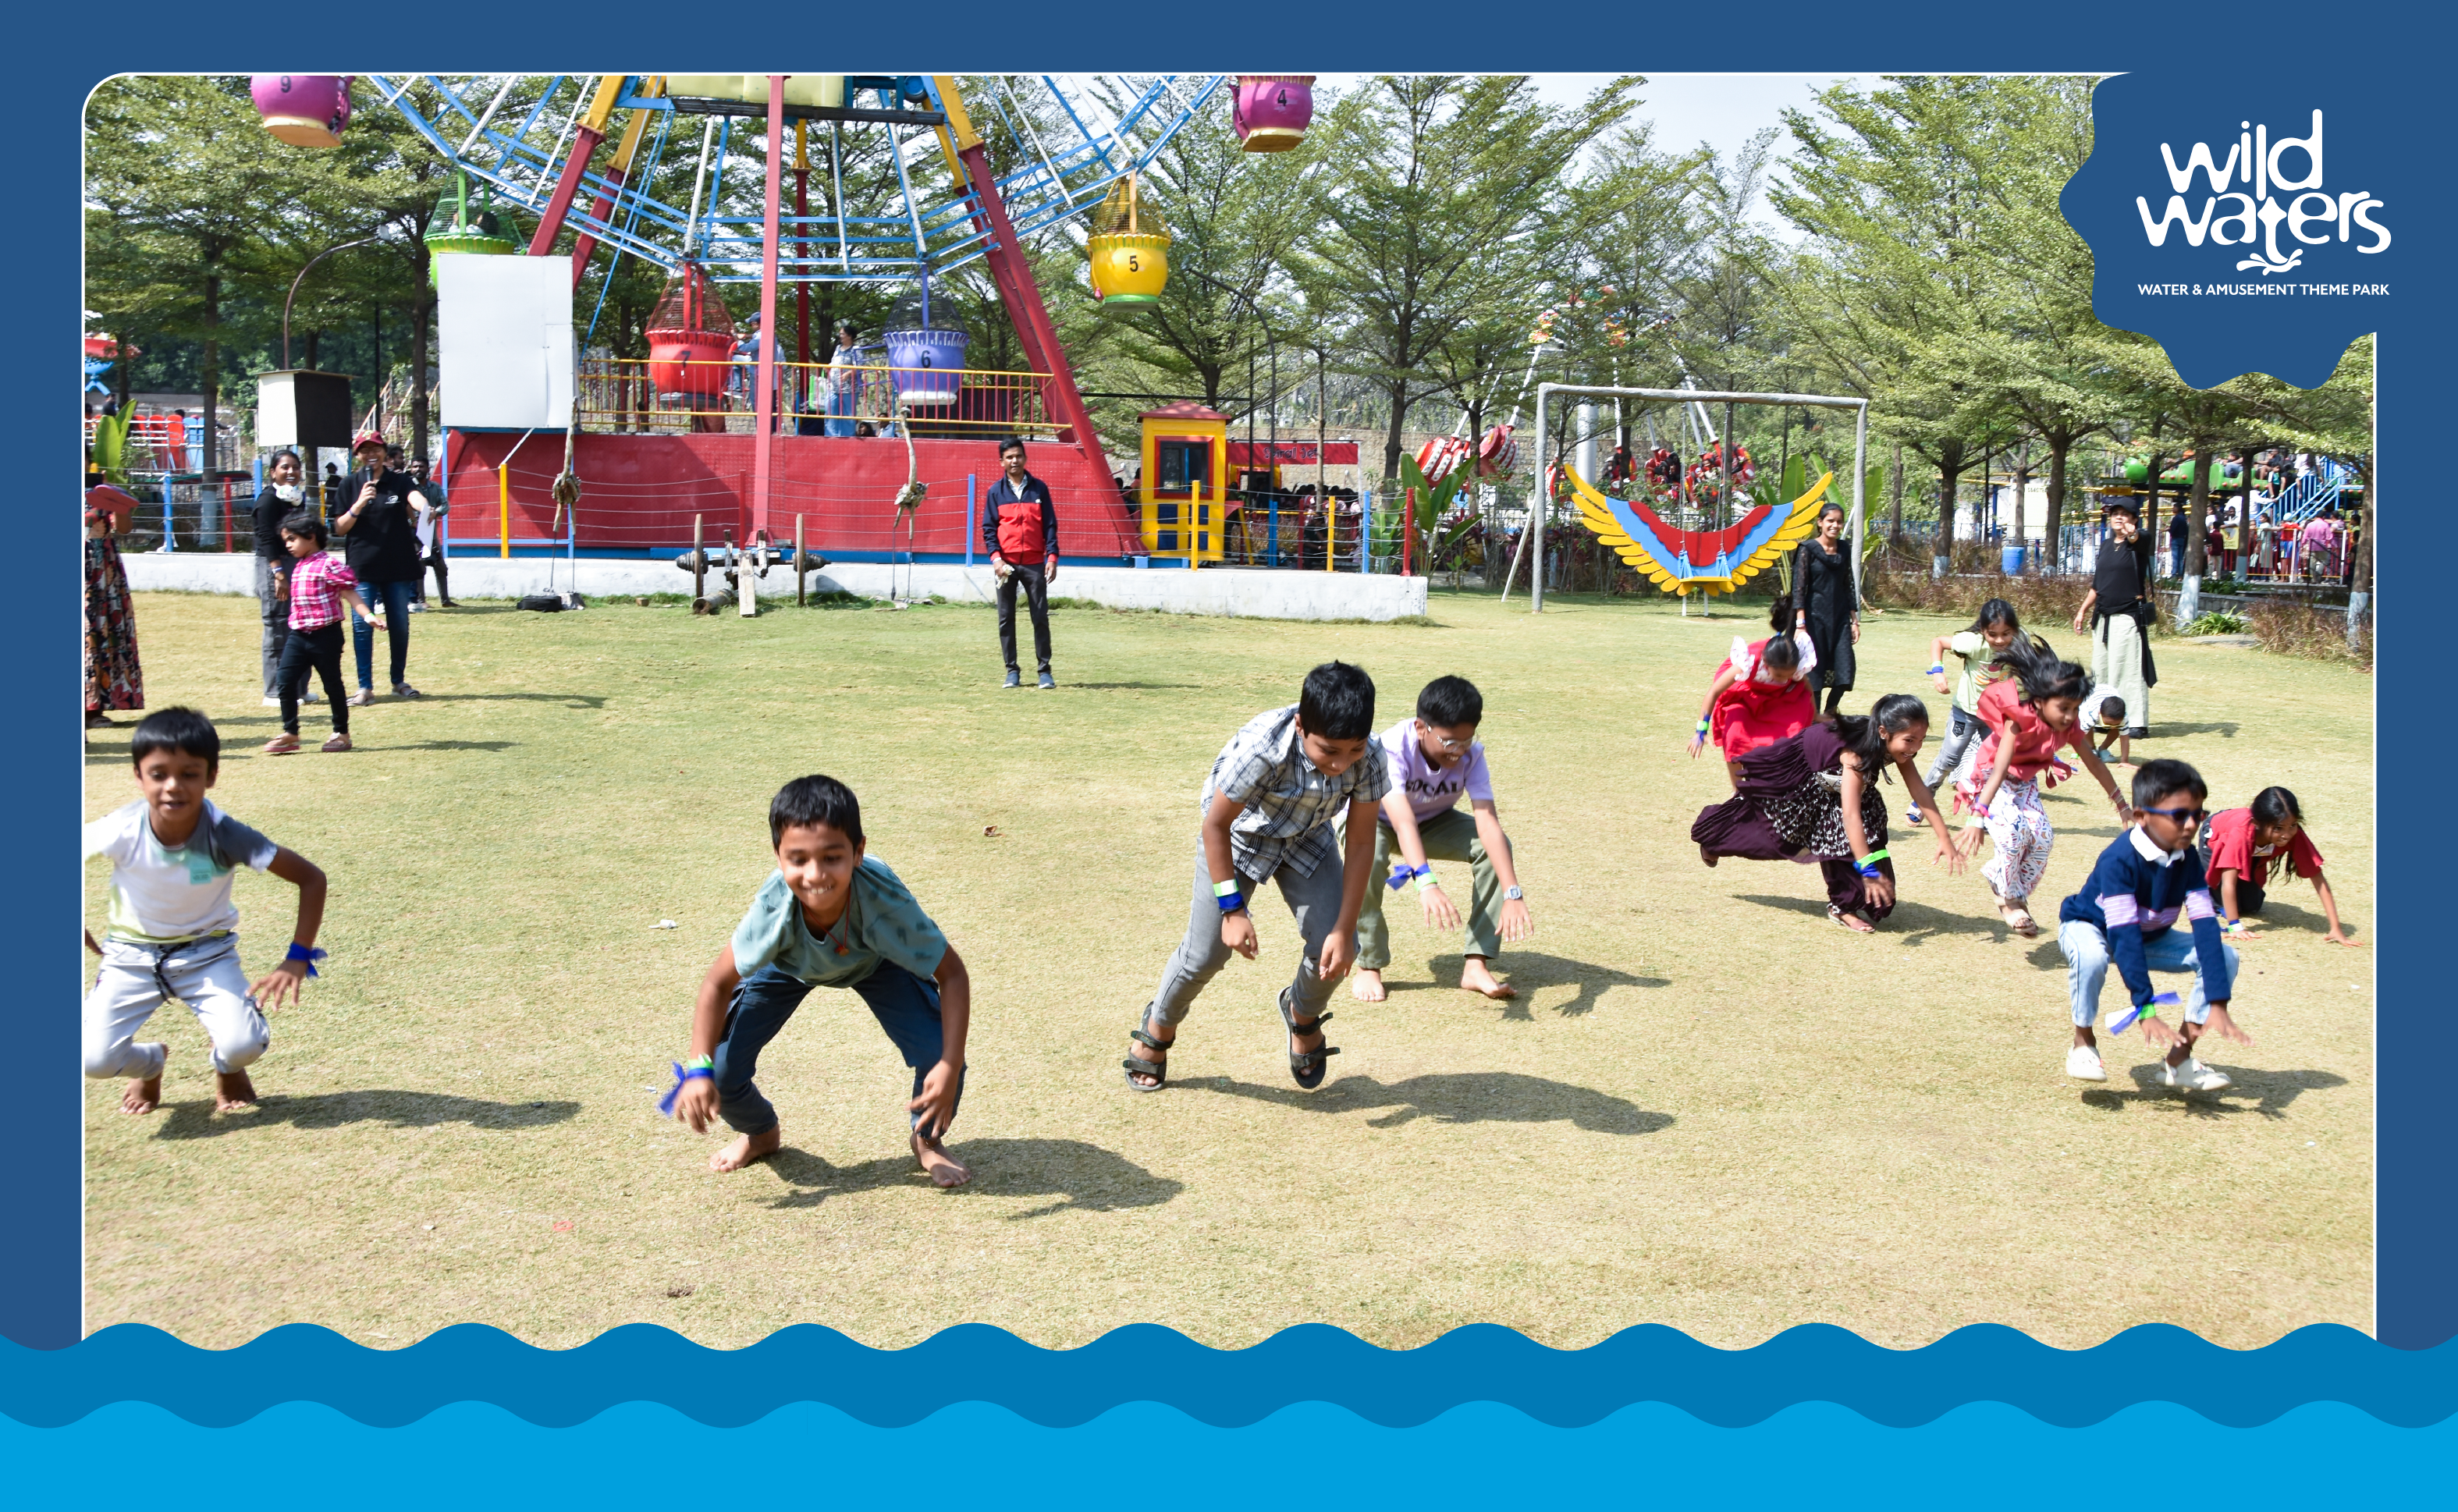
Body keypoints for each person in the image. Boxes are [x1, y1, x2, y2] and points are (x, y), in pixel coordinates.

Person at [664, 775, 975, 1186]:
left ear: (858, 852)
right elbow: (716, 984)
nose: (815, 875)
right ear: (778, 856)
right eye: (798, 859)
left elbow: (952, 975)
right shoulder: (774, 909)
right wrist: (698, 1068)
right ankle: (759, 1134)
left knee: (940, 1054)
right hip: (789, 965)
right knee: (719, 1072)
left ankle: (928, 1142)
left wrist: (950, 1065)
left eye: (832, 857)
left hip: (877, 961)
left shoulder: (886, 903)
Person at [1124, 662, 1387, 1092]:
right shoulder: (1264, 748)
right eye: (1329, 750)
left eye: (1354, 750)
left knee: (1338, 947)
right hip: (1239, 837)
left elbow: (1359, 843)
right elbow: (1215, 826)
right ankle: (1159, 1027)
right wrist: (1232, 909)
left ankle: (1302, 1016)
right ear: (1302, 726)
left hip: (1307, 837)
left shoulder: (1371, 756)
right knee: (1205, 954)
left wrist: (1343, 928)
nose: (1342, 764)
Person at [83, 708, 330, 1114]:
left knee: (243, 1044)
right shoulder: (120, 827)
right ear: (138, 776)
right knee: (93, 1061)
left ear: (211, 776)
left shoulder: (225, 834)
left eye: (190, 773)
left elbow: (311, 878)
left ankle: (227, 1066)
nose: (173, 786)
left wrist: (298, 957)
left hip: (207, 955)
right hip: (130, 958)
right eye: (159, 774)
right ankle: (151, 1063)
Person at [1692, 694, 1964, 934]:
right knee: (1779, 838)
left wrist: (1944, 838)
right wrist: (1867, 871)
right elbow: (1850, 816)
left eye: (1921, 740)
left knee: (1880, 895)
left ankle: (1852, 897)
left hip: (1844, 785)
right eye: (1909, 740)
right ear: (1883, 732)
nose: (1915, 747)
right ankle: (1715, 838)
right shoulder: (1856, 754)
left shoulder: (1899, 748)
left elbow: (1919, 789)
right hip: (1807, 775)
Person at [2054, 758, 2245, 1091]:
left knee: (2226, 957)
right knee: (2093, 957)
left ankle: (2179, 1061)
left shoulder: (2186, 860)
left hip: (2150, 938)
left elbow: (2205, 927)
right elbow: (2123, 936)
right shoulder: (2120, 860)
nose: (2190, 825)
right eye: (2178, 815)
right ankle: (2083, 1044)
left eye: (2197, 815)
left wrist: (2217, 998)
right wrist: (2145, 1007)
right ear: (2141, 817)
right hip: (2091, 927)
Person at [1351, 675, 1535, 1004]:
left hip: (1432, 822)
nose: (1459, 752)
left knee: (1493, 846)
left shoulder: (1471, 754)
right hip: (1374, 821)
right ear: (1422, 727)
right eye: (1451, 742)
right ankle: (1368, 964)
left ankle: (1476, 965)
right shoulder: (1391, 748)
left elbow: (1487, 822)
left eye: (1467, 741)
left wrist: (1513, 892)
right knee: (1369, 860)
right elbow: (1402, 819)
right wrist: (1426, 882)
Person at [1953, 636, 2135, 938]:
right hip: (1991, 780)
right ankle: (2007, 899)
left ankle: (2015, 894)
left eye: (2075, 709)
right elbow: (1998, 769)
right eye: (2063, 707)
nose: (2069, 716)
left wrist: (2122, 805)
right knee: (2014, 835)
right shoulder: (2018, 719)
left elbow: (2095, 763)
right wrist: (1977, 816)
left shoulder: (2070, 726)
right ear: (2039, 702)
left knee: (2043, 837)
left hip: (2024, 784)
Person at [265, 511, 382, 755]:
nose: (287, 545)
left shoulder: (328, 565)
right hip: (299, 636)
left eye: (291, 539)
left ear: (310, 537)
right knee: (285, 682)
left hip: (326, 636)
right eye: (285, 540)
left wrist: (369, 616)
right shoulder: (298, 566)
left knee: (332, 685)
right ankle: (291, 733)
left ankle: (342, 733)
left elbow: (350, 593)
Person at [332, 431, 424, 704]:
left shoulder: (399, 480)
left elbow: (414, 497)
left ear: (384, 452)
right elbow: (338, 528)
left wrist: (425, 506)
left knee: (399, 625)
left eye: (376, 449)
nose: (371, 454)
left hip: (397, 565)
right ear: (357, 456)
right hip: (362, 567)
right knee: (363, 625)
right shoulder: (349, 485)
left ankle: (398, 681)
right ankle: (365, 688)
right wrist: (359, 503)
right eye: (365, 450)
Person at [2202, 786, 2357, 946]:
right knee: (2219, 902)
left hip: (2255, 844)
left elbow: (2317, 878)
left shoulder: (2293, 834)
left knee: (2251, 906)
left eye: (2293, 825)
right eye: (2278, 828)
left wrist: (2336, 928)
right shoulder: (2240, 834)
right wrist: (2235, 927)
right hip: (2217, 833)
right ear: (2257, 823)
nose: (2287, 834)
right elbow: (2229, 882)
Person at [1689, 597, 1817, 789]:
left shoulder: (1792, 664)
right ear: (1766, 664)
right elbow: (1713, 692)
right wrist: (1701, 730)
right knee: (1735, 734)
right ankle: (1739, 791)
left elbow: (1807, 690)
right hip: (1744, 695)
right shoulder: (1748, 662)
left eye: (1789, 676)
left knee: (1792, 734)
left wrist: (1816, 716)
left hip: (1780, 699)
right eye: (1780, 675)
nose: (1785, 679)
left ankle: (1777, 783)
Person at [1915, 598, 2021, 814]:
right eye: (1993, 634)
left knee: (1997, 763)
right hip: (1966, 712)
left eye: (2006, 633)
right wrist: (1938, 672)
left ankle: (1987, 810)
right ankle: (1922, 801)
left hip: (1998, 717)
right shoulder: (1973, 642)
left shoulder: (2021, 642)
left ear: (2015, 630)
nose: (2000, 640)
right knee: (1949, 759)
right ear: (1983, 631)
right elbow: (1938, 642)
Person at [2072, 499, 2156, 741]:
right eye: (2115, 514)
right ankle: (2104, 717)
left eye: (2125, 514)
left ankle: (2136, 722)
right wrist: (2082, 610)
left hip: (2127, 617)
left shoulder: (2138, 544)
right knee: (2102, 671)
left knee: (2128, 671)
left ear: (2134, 520)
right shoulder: (2107, 545)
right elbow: (2098, 585)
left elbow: (2142, 540)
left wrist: (2134, 535)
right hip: (2103, 617)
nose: (2119, 517)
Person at [983, 436, 1059, 690]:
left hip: (1036, 564)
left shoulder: (1040, 489)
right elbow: (989, 530)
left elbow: (1050, 525)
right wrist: (996, 560)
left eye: (1018, 456)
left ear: (1025, 457)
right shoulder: (995, 492)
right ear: (1002, 461)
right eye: (1009, 457)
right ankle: (1012, 671)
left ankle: (1044, 672)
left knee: (1040, 617)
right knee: (1006, 619)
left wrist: (1052, 557)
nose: (1014, 460)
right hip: (1006, 566)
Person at [84, 481, 144, 729]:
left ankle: (94, 708)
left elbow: (125, 529)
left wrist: (118, 505)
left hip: (102, 573)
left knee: (101, 633)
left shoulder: (102, 491)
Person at [1791, 502, 1859, 716]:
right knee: (1815, 673)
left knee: (1845, 672)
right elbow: (1798, 589)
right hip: (1813, 620)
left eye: (1839, 521)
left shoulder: (1845, 549)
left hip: (1839, 620)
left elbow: (1848, 584)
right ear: (1820, 523)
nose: (1835, 525)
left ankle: (1829, 714)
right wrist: (1800, 624)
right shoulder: (1807, 550)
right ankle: (1813, 719)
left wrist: (1854, 620)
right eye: (1830, 521)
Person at [250, 451, 307, 705]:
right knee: (277, 626)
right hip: (275, 567)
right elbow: (265, 537)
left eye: (296, 467)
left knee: (301, 625)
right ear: (273, 472)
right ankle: (274, 692)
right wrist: (278, 573)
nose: (291, 472)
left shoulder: (295, 499)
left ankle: (299, 689)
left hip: (295, 563)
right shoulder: (268, 501)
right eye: (285, 467)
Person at [411, 456, 453, 608]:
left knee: (440, 566)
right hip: (414, 534)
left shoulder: (435, 487)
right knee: (419, 567)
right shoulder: (410, 487)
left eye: (421, 467)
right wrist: (415, 522)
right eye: (415, 467)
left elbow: (445, 506)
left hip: (431, 533)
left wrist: (435, 513)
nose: (417, 470)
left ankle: (445, 600)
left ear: (428, 469)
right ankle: (421, 601)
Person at [2078, 686, 2131, 765]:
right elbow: (2078, 736)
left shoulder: (2124, 718)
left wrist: (2125, 761)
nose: (2112, 727)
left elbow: (2125, 739)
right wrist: (2074, 757)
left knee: (2119, 728)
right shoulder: (2090, 714)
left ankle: (2103, 748)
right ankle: (2092, 748)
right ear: (2099, 713)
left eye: (2116, 724)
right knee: (2087, 728)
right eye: (2108, 724)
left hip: (2110, 691)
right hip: (2089, 697)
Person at [2165, 503, 2190, 579]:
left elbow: (2173, 529)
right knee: (2180, 558)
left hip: (2175, 539)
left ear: (2177, 508)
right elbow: (2186, 530)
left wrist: (2169, 530)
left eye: (2174, 507)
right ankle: (2180, 575)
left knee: (2175, 557)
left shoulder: (2176, 518)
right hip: (2182, 539)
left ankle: (2174, 574)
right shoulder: (2184, 518)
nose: (2173, 509)